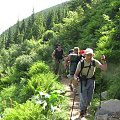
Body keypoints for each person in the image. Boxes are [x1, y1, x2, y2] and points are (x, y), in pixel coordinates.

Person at [74, 48, 107, 118]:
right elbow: (76, 74)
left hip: (91, 81)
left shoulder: (94, 62)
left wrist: (104, 61)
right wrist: (76, 78)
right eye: (88, 55)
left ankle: (85, 108)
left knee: (89, 98)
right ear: (85, 55)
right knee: (83, 98)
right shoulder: (81, 63)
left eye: (91, 55)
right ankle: (82, 110)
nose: (89, 57)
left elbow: (104, 68)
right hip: (82, 82)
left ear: (92, 55)